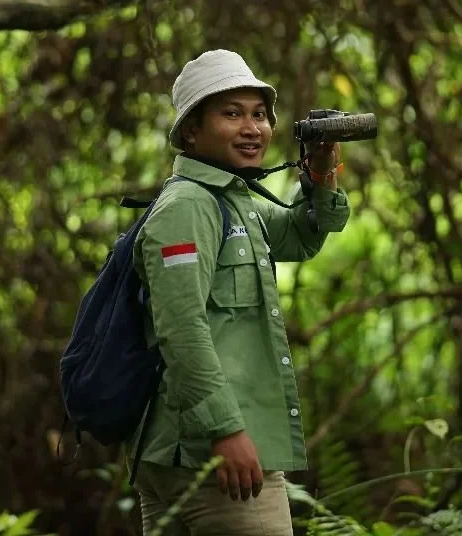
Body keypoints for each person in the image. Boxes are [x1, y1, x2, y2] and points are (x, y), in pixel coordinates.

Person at [128, 49, 351, 535]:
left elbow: (300, 234)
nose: (253, 129)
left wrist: (320, 170)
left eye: (259, 115)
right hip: (215, 458)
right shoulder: (187, 207)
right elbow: (180, 328)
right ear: (192, 130)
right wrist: (224, 429)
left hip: (191, 455)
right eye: (232, 114)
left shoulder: (232, 200)